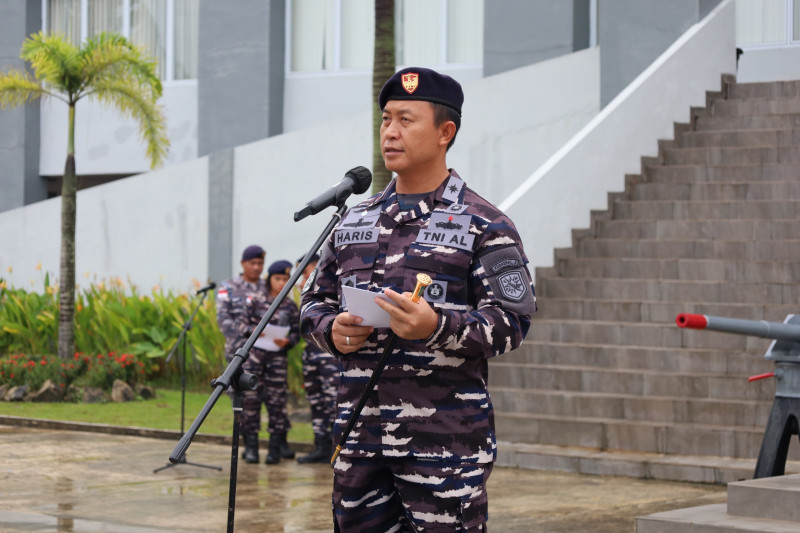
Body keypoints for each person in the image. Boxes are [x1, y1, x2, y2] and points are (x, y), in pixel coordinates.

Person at [300, 67, 537, 532]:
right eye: (386, 119)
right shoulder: (353, 221)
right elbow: (313, 305)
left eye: (406, 120)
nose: (390, 131)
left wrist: (437, 327)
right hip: (359, 443)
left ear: (445, 132)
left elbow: (512, 322)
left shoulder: (484, 224)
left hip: (444, 449)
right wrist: (334, 331)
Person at [242, 259, 301, 464]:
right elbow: (243, 327)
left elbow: (296, 333)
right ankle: (251, 448)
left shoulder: (291, 306)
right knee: (251, 403)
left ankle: (274, 450)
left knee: (277, 405)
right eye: (278, 278)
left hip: (277, 362)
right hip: (255, 362)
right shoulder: (256, 301)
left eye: (286, 279)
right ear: (269, 279)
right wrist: (257, 332)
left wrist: (287, 341)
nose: (281, 282)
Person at [292, 254, 339, 464]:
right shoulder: (309, 291)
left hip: (329, 354)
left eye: (305, 273)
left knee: (333, 401)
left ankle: (337, 449)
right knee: (316, 400)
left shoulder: (332, 285)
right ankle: (320, 446)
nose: (302, 281)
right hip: (311, 352)